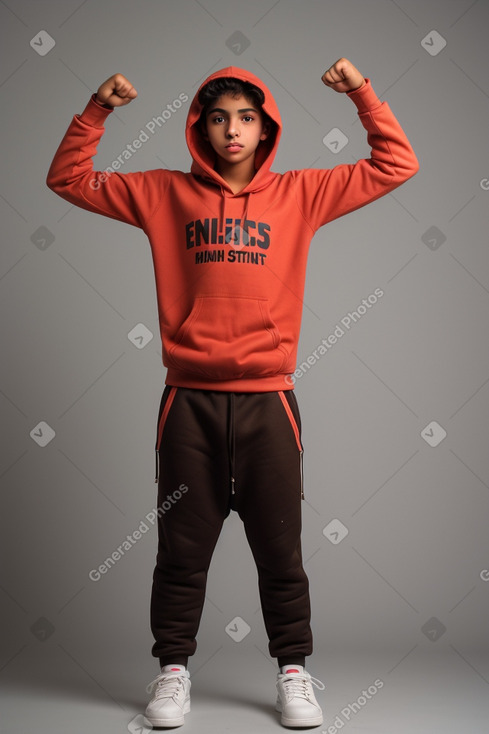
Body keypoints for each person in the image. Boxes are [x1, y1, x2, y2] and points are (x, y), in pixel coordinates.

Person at [46, 58, 418, 729]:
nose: (231, 130)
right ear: (198, 127)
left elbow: (395, 163)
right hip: (186, 400)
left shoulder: (302, 194)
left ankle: (294, 674)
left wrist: (361, 93)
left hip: (268, 400)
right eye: (217, 118)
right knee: (181, 551)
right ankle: (172, 674)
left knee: (281, 551)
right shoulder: (163, 194)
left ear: (267, 125)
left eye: (246, 117)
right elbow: (67, 179)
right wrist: (96, 109)